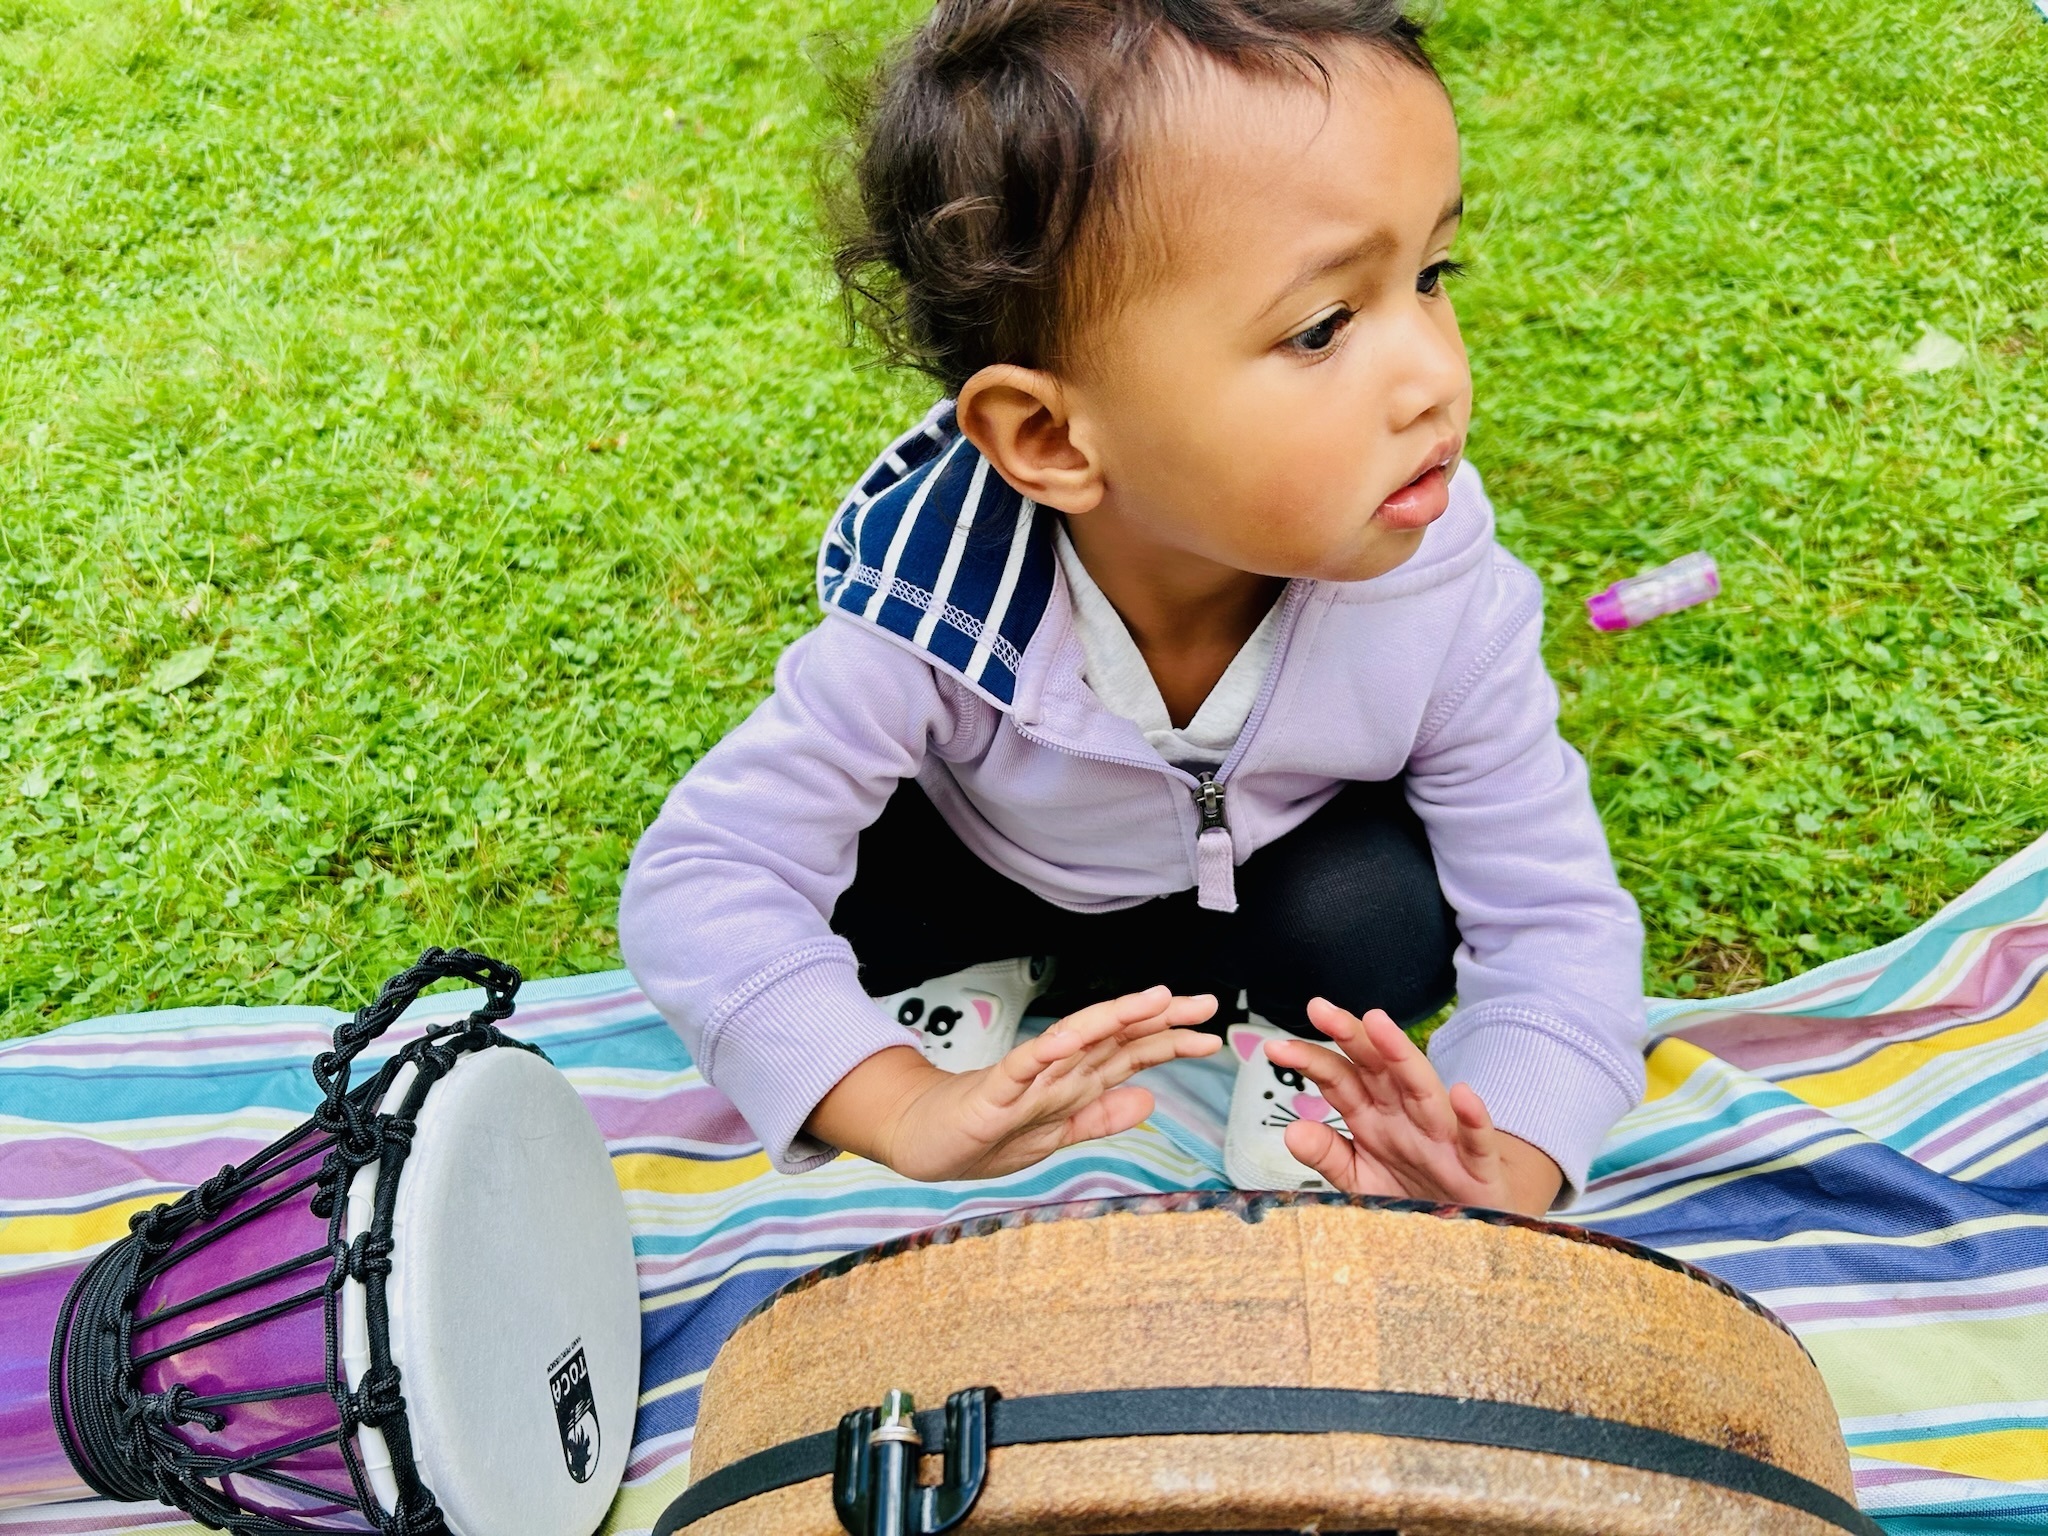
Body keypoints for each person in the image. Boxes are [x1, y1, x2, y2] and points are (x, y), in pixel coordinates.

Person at [619, 0, 1647, 1217]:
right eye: (1321, 327)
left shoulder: (1441, 593)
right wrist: (894, 1103)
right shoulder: (931, 605)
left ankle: (1291, 1052)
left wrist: (1509, 1158)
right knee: (855, 895)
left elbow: (1552, 915)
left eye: (1430, 277)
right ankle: (989, 978)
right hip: (984, 873)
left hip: (1263, 909)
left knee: (1380, 920)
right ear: (1051, 437)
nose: (1435, 374)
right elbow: (704, 877)